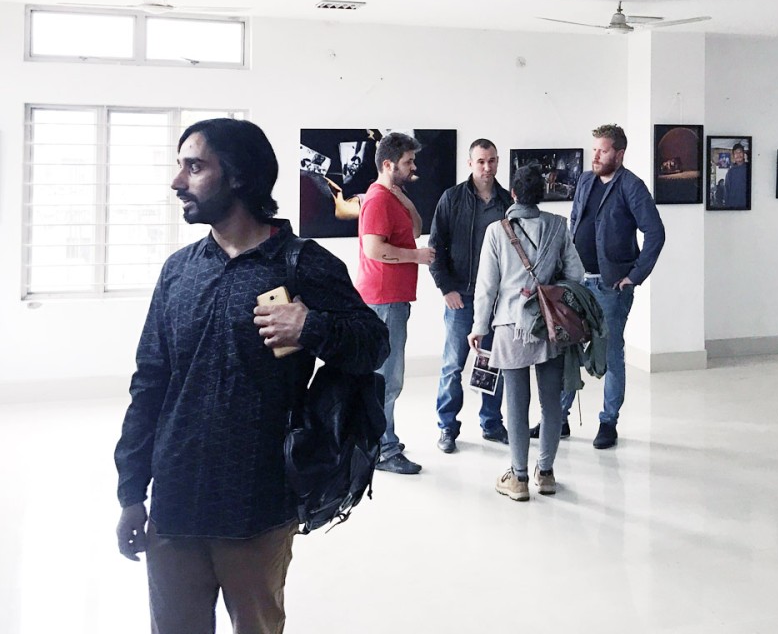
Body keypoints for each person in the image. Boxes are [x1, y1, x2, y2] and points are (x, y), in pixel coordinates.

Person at [114, 118, 389, 634]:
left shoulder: (301, 264)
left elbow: (373, 343)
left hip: (257, 506)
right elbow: (149, 384)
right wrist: (131, 491)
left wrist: (312, 327)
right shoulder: (178, 270)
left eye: (194, 166)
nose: (177, 181)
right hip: (174, 502)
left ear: (238, 175)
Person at [469, 164, 584, 501]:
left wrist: (478, 327)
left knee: (516, 405)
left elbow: (487, 287)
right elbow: (576, 274)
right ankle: (545, 474)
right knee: (551, 404)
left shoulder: (497, 231)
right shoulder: (558, 226)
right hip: (549, 324)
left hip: (510, 326)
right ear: (542, 194)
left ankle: (518, 478)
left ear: (513, 194)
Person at [562, 123, 665, 449]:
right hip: (578, 282)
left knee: (611, 353)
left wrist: (635, 275)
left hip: (610, 288)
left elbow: (655, 233)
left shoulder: (631, 186)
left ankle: (608, 422)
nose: (595, 156)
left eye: (602, 151)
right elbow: (574, 221)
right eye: (594, 149)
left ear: (619, 154)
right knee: (567, 348)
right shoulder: (585, 180)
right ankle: (558, 419)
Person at [357, 131, 435, 475]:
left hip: (393, 299)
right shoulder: (377, 201)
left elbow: (416, 229)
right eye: (408, 162)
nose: (413, 167)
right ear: (388, 165)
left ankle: (381, 441)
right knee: (387, 380)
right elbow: (374, 249)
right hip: (383, 300)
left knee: (388, 378)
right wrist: (416, 257)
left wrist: (402, 196)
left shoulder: (391, 196)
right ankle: (384, 449)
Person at [428, 138, 512, 453]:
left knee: (492, 363)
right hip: (461, 297)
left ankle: (491, 424)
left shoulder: (507, 202)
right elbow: (435, 248)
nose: (487, 167)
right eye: (481, 161)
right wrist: (446, 288)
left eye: (492, 160)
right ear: (470, 163)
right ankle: (447, 427)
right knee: (453, 366)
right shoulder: (451, 199)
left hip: (498, 301)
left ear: (497, 161)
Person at [721, 141, 749, 209]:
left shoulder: (749, 168)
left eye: (740, 152)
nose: (738, 155)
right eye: (736, 153)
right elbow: (727, 191)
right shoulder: (730, 172)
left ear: (744, 154)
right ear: (733, 156)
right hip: (733, 206)